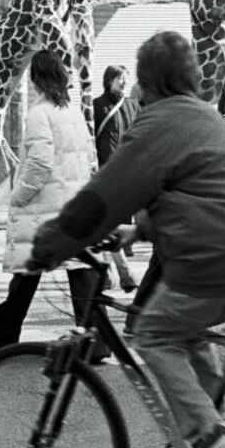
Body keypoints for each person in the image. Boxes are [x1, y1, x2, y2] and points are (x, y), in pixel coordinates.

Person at [30, 31, 225, 448]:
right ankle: (205, 439)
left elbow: (102, 199)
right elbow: (200, 190)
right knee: (186, 330)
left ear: (147, 82)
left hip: (218, 254)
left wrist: (49, 244)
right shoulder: (205, 116)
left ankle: (214, 441)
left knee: (151, 333)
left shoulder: (156, 124)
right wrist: (142, 230)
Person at [0, 50, 97, 352]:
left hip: (45, 205)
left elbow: (40, 162)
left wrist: (20, 194)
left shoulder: (39, 113)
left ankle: (3, 331)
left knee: (28, 270)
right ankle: (96, 341)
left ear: (36, 79)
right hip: (72, 203)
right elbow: (89, 157)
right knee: (79, 272)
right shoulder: (73, 111)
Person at [91, 64, 139, 291]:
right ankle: (123, 273)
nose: (123, 82)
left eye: (125, 79)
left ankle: (107, 274)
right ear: (108, 80)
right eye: (120, 78)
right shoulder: (96, 106)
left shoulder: (132, 106)